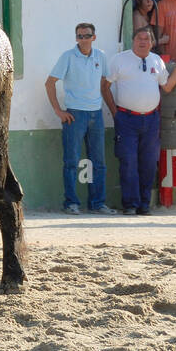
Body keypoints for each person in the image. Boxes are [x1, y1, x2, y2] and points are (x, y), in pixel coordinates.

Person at [105, 28, 176, 215]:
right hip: (126, 119)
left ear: (152, 42)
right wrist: (115, 113)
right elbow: (105, 87)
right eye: (139, 38)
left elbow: (166, 86)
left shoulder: (156, 60)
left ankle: (144, 204)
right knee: (128, 161)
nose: (143, 42)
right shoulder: (119, 60)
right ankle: (130, 204)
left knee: (149, 163)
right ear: (133, 41)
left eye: (147, 39)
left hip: (151, 119)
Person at [45, 23, 113, 214]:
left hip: (96, 114)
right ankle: (71, 203)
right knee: (71, 161)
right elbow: (49, 83)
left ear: (94, 37)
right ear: (76, 38)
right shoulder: (68, 56)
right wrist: (59, 111)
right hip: (75, 115)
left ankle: (98, 203)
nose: (83, 39)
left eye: (87, 35)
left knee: (98, 162)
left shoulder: (101, 56)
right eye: (80, 36)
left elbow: (103, 83)